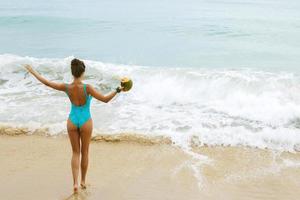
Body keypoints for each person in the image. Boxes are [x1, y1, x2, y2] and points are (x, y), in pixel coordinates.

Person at [24, 58, 124, 193]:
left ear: (72, 73)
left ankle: (75, 183)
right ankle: (83, 181)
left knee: (75, 153)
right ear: (83, 72)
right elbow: (105, 100)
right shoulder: (87, 88)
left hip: (72, 121)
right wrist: (118, 90)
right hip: (85, 121)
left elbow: (47, 83)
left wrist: (33, 72)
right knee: (85, 152)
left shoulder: (67, 87)